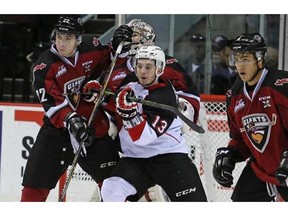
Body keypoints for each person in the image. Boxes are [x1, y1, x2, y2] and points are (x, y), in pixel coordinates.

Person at [20, 15, 133, 201]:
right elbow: (52, 103)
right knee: (34, 186)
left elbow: (111, 61)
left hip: (92, 125)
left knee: (115, 183)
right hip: (58, 132)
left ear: (78, 40)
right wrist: (72, 120)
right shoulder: (44, 66)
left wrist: (118, 44)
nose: (62, 43)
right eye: (59, 37)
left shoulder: (91, 47)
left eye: (68, 38)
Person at [100, 45, 207, 202]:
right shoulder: (129, 82)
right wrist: (98, 96)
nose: (143, 71)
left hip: (169, 158)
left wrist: (130, 115)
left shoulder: (165, 96)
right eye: (140, 66)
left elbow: (144, 137)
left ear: (159, 69)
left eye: (148, 67)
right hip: (135, 159)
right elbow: (113, 104)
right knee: (111, 189)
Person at [212, 32, 288, 201]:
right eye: (236, 59)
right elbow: (240, 138)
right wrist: (230, 155)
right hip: (261, 169)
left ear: (260, 59)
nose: (240, 66)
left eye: (245, 59)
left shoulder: (282, 85)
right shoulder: (234, 95)